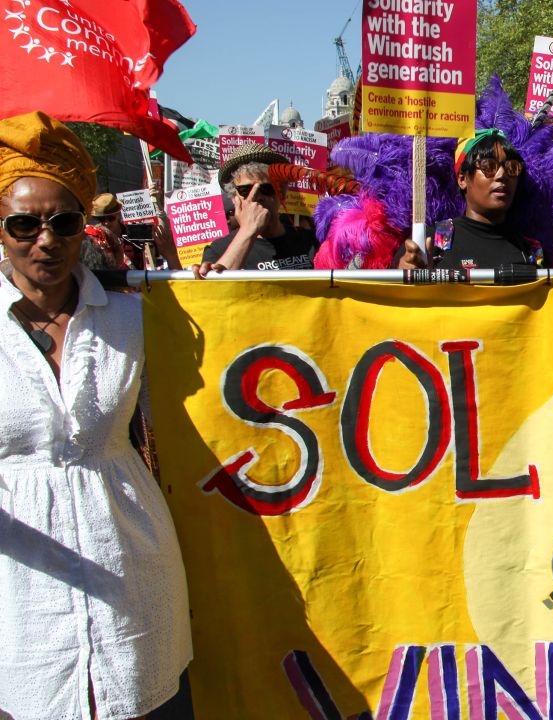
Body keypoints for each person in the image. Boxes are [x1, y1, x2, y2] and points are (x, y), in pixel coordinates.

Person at [0, 111, 190, 718]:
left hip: (133, 574)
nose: (46, 240)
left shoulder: (134, 315)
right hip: (20, 597)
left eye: (64, 222)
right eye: (24, 224)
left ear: (85, 228)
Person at [399, 128, 543, 270]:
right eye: (488, 166)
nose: (502, 175)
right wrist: (404, 277)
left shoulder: (531, 250)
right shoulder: (433, 239)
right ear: (462, 179)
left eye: (512, 167)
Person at [196, 142, 318, 276]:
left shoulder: (310, 241)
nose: (257, 197)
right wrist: (248, 231)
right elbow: (217, 290)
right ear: (234, 198)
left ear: (282, 194)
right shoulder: (218, 250)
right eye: (245, 190)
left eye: (266, 189)